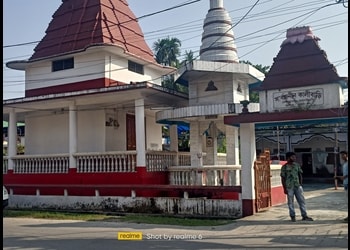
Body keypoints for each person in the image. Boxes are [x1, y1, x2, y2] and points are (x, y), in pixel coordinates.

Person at [280, 152, 313, 222]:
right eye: (292, 157)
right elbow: (283, 178)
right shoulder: (284, 167)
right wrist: (284, 188)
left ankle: (304, 215)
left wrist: (300, 184)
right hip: (289, 186)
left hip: (297, 185)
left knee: (302, 201)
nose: (294, 158)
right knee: (290, 202)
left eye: (294, 157)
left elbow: (300, 174)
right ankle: (292, 216)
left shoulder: (297, 165)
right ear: (288, 158)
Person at [335, 151, 348, 223]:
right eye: (341, 155)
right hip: (346, 184)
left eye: (343, 155)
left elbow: (346, 175)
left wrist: (343, 177)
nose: (342, 156)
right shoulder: (344, 164)